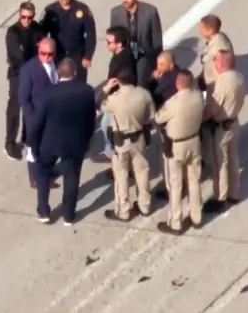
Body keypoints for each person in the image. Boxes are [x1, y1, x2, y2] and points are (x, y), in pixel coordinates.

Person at [27, 58, 97, 226]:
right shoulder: (87, 91)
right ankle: (68, 215)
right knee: (72, 177)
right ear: (74, 73)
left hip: (49, 142)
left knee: (43, 174)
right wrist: (87, 140)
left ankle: (43, 211)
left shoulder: (47, 94)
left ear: (58, 74)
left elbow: (37, 123)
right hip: (75, 142)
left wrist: (32, 143)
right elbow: (90, 119)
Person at [97, 69, 155, 221]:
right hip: (139, 137)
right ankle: (145, 205)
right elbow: (151, 117)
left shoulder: (115, 98)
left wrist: (106, 88)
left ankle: (123, 210)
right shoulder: (144, 94)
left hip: (120, 141)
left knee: (121, 175)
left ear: (119, 81)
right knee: (142, 171)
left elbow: (99, 105)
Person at [153, 69, 206, 234]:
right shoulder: (198, 96)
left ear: (177, 84)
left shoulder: (173, 103)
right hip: (194, 141)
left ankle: (175, 222)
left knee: (175, 184)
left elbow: (158, 118)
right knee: (194, 180)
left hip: (177, 146)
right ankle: (197, 217)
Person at [203, 50, 246, 214]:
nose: (214, 63)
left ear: (221, 64)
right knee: (233, 159)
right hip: (234, 121)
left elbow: (214, 107)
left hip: (221, 126)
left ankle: (220, 197)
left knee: (220, 163)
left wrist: (203, 116)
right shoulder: (239, 77)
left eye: (216, 60)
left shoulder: (222, 82)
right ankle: (234, 193)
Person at [18, 38, 61, 190]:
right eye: (43, 54)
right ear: (38, 51)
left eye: (50, 54)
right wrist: (32, 119)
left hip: (51, 115)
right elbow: (23, 98)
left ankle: (47, 171)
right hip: (36, 117)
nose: (47, 58)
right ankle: (35, 178)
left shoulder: (54, 64)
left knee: (48, 146)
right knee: (33, 149)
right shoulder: (28, 70)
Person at [4, 1, 45, 160]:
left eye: (30, 17)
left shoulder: (37, 29)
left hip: (33, 73)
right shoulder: (13, 32)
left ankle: (27, 137)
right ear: (19, 15)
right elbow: (16, 56)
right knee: (15, 108)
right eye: (23, 17)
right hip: (18, 74)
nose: (27, 20)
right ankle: (10, 143)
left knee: (31, 107)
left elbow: (41, 48)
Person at [97, 26, 139, 168]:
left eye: (109, 42)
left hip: (118, 98)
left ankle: (115, 157)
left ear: (119, 44)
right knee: (106, 126)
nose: (106, 44)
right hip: (117, 95)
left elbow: (122, 80)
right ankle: (112, 154)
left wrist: (109, 89)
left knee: (107, 127)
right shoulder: (120, 54)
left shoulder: (124, 60)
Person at [197, 14, 234, 174]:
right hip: (208, 86)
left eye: (201, 27)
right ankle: (206, 157)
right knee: (205, 127)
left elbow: (221, 71)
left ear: (209, 29)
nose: (198, 29)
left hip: (215, 91)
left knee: (209, 125)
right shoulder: (216, 40)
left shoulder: (219, 47)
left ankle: (210, 159)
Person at [41, 0, 97, 82]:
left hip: (77, 56)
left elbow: (91, 34)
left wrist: (88, 56)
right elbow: (42, 35)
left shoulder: (82, 9)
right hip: (57, 55)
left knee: (79, 84)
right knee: (58, 85)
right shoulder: (50, 11)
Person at [109, 0, 163, 85]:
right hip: (125, 58)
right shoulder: (116, 12)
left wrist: (157, 66)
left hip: (144, 57)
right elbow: (114, 38)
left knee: (142, 86)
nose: (125, 0)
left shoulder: (150, 12)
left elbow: (157, 40)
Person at [149, 50, 182, 201]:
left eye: (162, 64)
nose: (159, 68)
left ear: (171, 64)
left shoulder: (167, 79)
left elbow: (154, 95)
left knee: (167, 158)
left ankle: (171, 188)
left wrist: (153, 80)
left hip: (168, 121)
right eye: (158, 64)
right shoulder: (180, 74)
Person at [197, 14, 234, 94]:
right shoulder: (219, 36)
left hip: (214, 82)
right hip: (208, 76)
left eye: (202, 29)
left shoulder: (218, 47)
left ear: (210, 31)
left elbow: (206, 59)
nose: (199, 32)